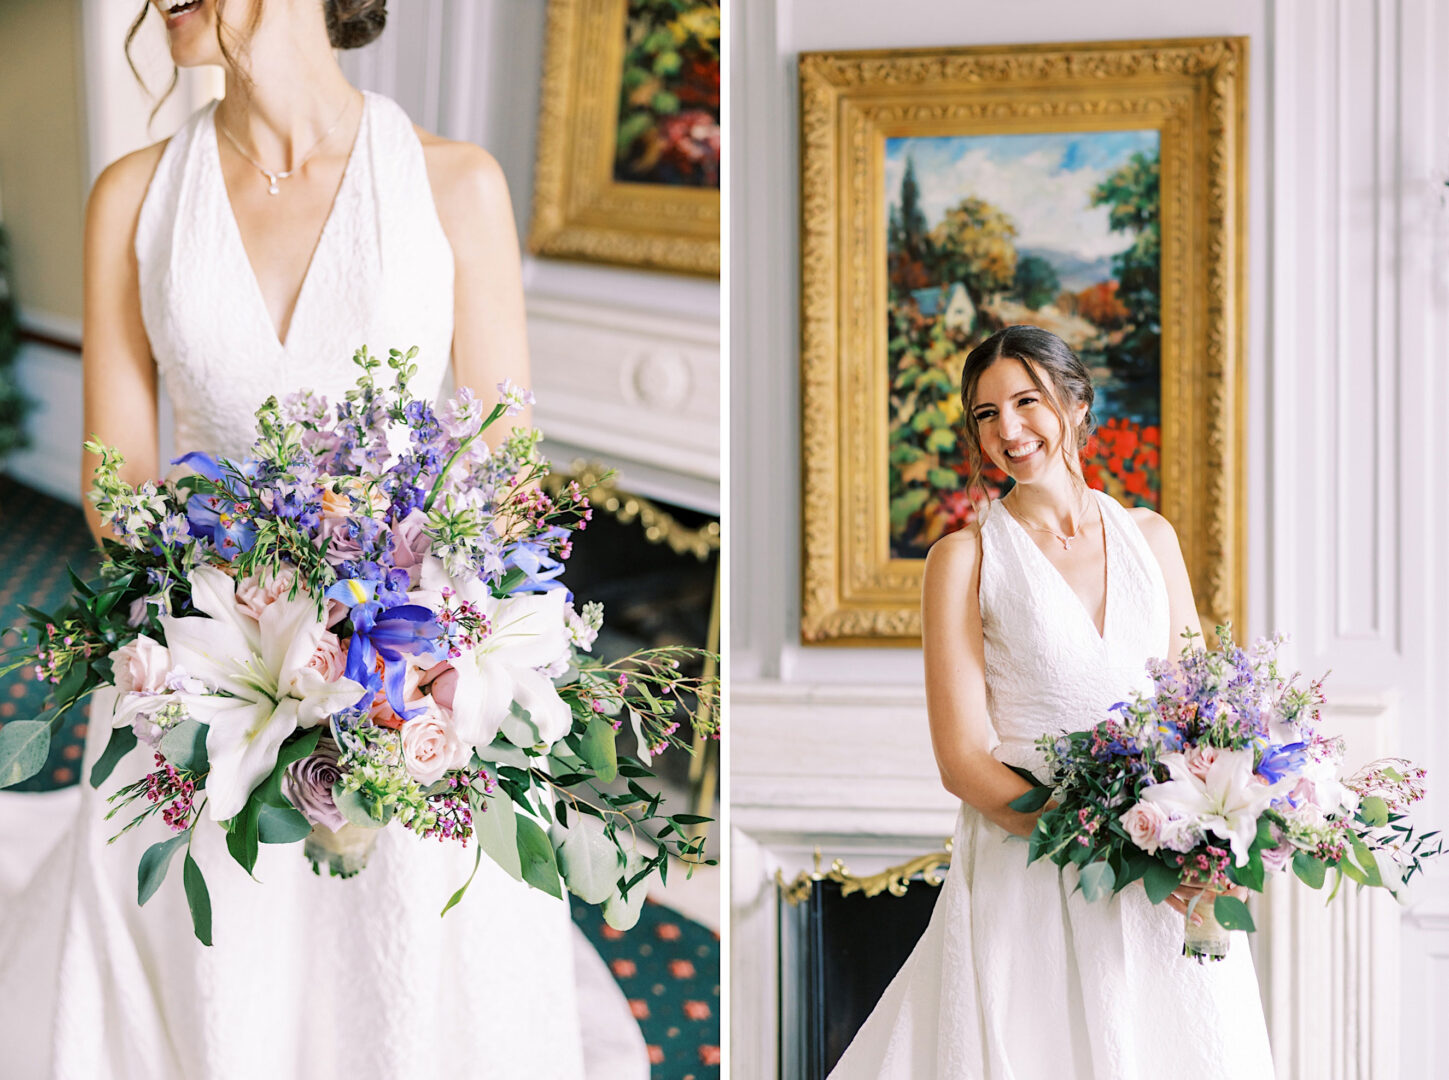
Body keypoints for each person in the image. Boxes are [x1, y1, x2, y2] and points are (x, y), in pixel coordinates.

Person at [0, 1, 648, 1077]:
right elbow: (114, 485)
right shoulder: (132, 197)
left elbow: (502, 474)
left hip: (408, 672)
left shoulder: (455, 186)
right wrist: (245, 625)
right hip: (208, 663)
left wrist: (394, 653)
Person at [828, 325, 1273, 1079]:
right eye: (984, 415)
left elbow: (1204, 713)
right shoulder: (961, 560)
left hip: (1162, 883)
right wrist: (1111, 840)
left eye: (1025, 401)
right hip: (1031, 872)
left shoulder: (1151, 538)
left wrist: (1200, 840)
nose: (1007, 429)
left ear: (1074, 403)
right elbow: (963, 760)